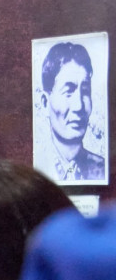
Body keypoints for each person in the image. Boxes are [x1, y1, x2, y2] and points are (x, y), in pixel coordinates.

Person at [36, 39, 105, 183]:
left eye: (85, 91)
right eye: (68, 92)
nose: (79, 106)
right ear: (45, 102)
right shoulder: (35, 169)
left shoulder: (102, 169)